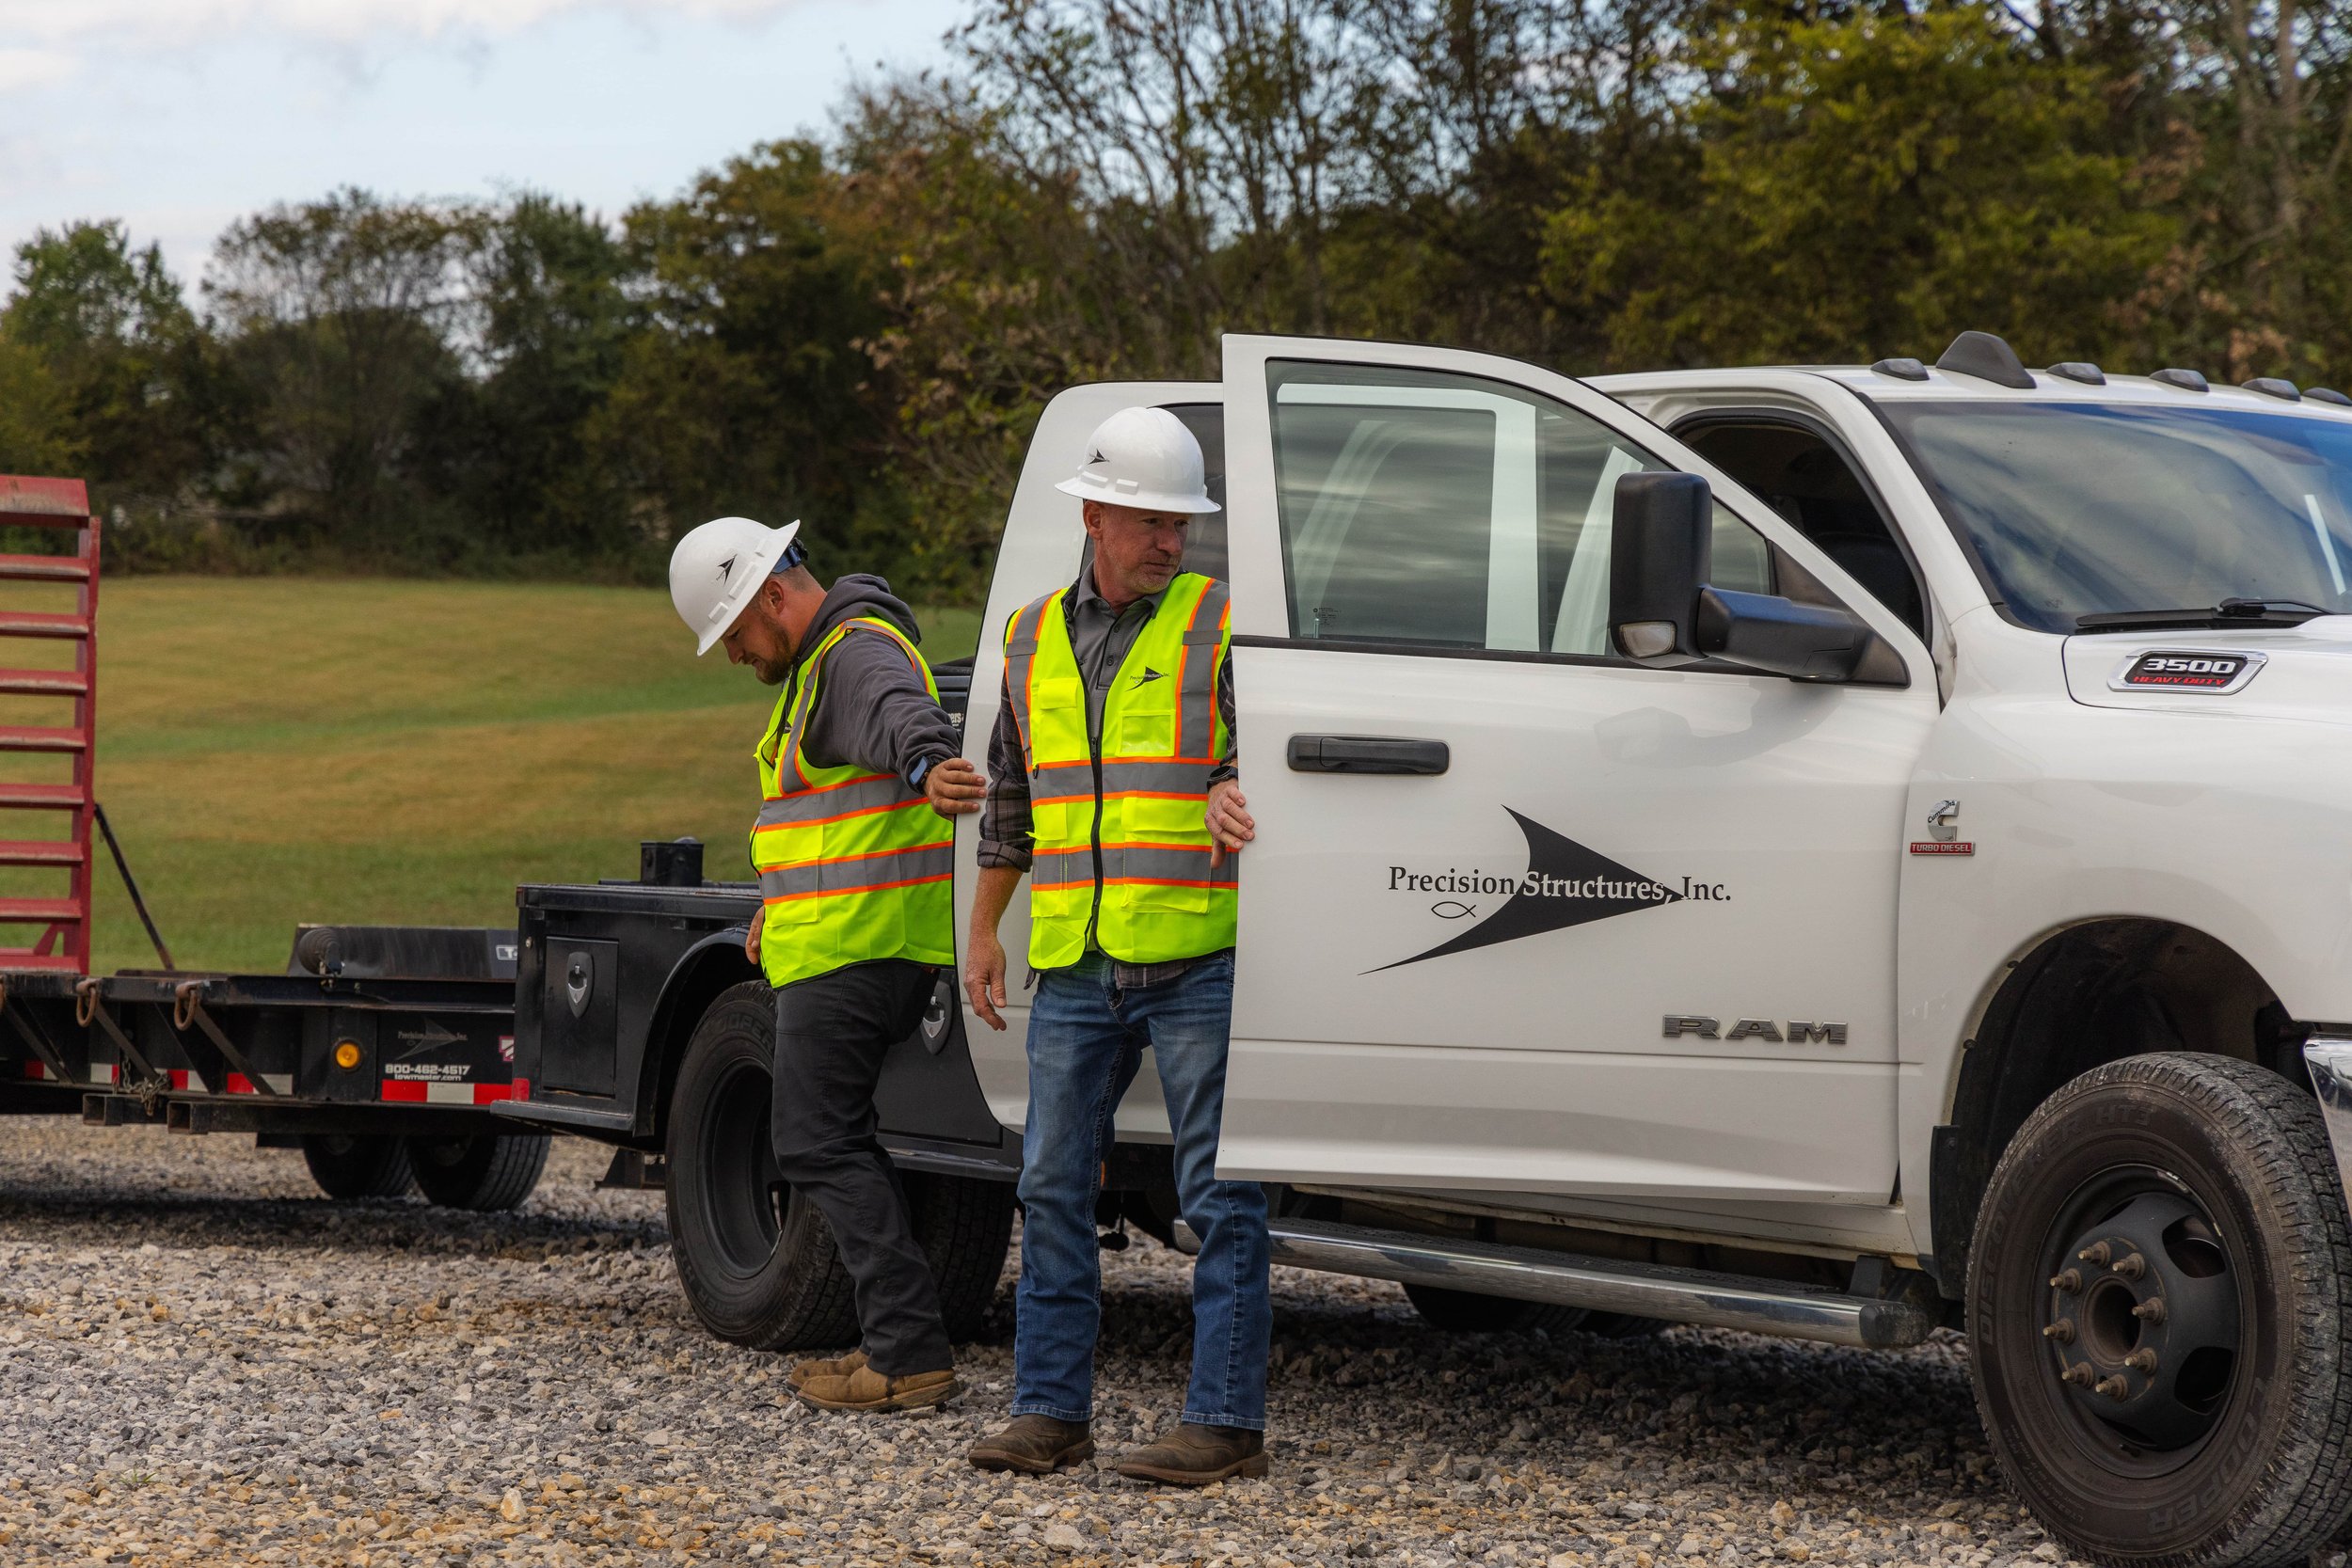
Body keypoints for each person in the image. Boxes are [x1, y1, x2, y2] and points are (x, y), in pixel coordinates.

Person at [962, 407, 1270, 1485]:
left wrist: (1242, 788)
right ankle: (1050, 1411)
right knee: (1050, 1186)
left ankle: (1225, 1421)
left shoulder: (1223, 626)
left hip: (1195, 953)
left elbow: (1258, 762)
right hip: (1076, 962)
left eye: (1181, 524)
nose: (1171, 542)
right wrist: (983, 930)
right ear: (1094, 514)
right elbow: (1014, 796)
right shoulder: (1028, 635)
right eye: (1149, 521)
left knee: (1220, 1194)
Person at [668, 515, 988, 1414]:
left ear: (773, 594)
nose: (734, 656)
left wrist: (928, 759)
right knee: (832, 1138)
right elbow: (831, 820)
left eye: (733, 633)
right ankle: (899, 1344)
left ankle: (907, 1353)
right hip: (847, 940)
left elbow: (900, 717)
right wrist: (783, 902)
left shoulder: (853, 652)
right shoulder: (824, 664)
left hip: (861, 949)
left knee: (814, 1140)